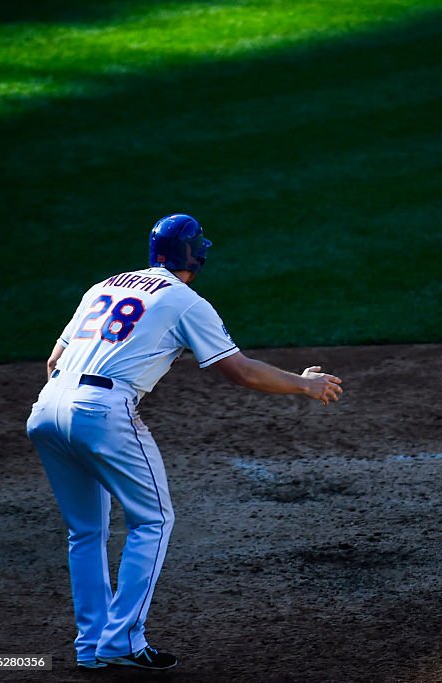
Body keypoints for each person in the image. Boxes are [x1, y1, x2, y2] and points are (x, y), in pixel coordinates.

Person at [26, 214, 343, 671]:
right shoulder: (184, 301)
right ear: (196, 256)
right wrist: (304, 384)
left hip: (47, 406)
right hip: (102, 411)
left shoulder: (103, 286)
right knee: (153, 521)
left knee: (86, 531)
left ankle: (91, 646)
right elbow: (239, 370)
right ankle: (121, 642)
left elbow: (55, 358)